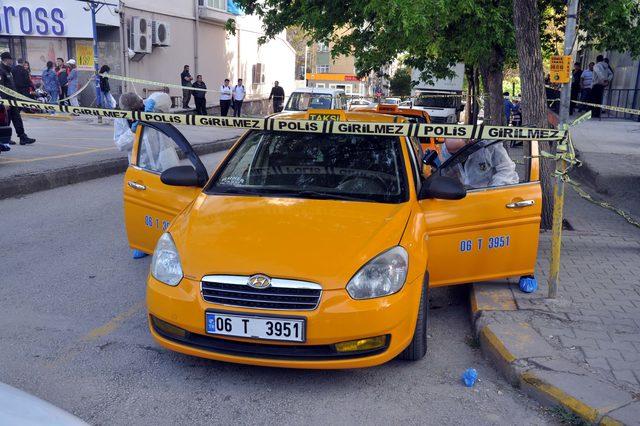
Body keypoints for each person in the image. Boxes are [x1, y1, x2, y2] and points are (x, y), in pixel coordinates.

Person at [440, 138, 519, 189]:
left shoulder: (489, 148)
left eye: (460, 152)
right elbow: (448, 170)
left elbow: (507, 169)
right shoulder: (446, 149)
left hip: (495, 189)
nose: (458, 157)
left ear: (469, 143)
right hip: (467, 192)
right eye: (453, 154)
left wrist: (492, 189)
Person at [0, 52, 36, 148]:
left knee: (17, 118)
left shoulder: (9, 70)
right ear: (5, 59)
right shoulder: (1, 70)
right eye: (10, 59)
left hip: (13, 99)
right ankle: (5, 138)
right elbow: (1, 87)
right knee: (6, 121)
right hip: (7, 101)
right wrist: (4, 102)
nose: (12, 61)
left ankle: (22, 137)